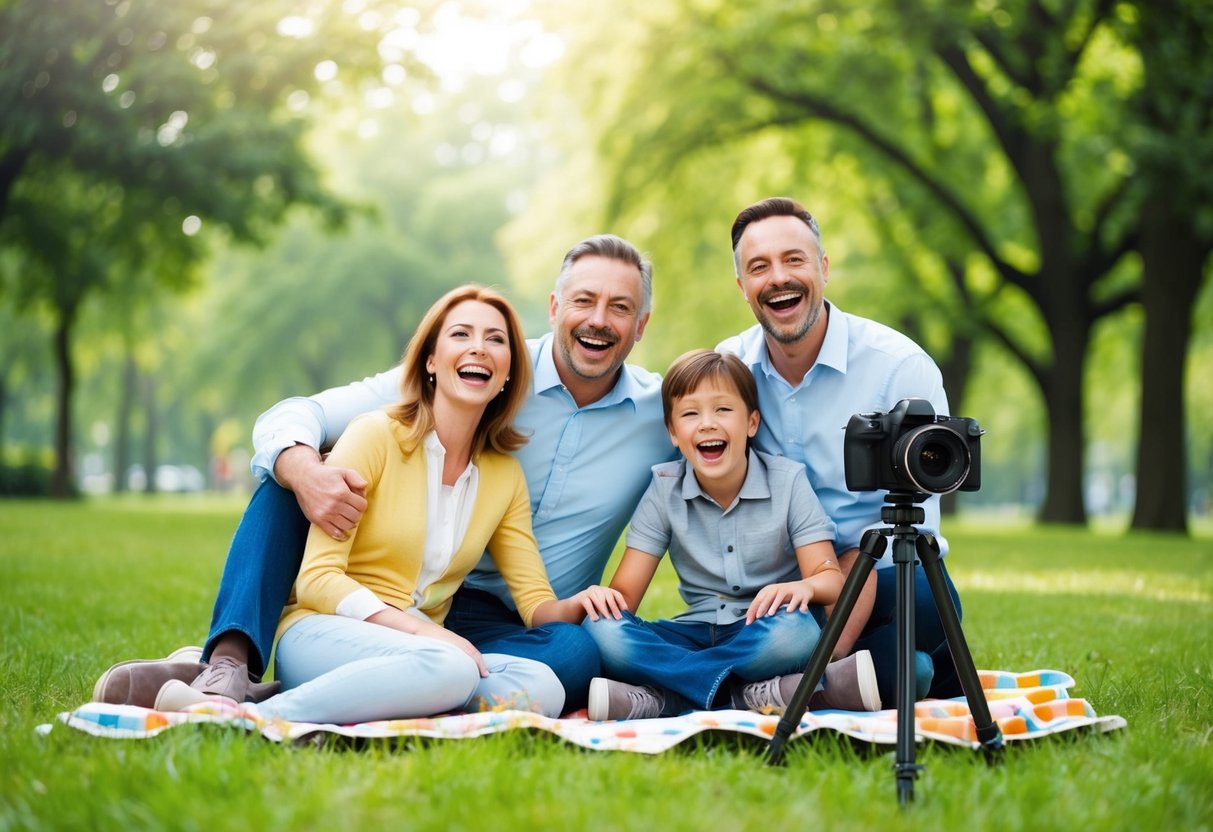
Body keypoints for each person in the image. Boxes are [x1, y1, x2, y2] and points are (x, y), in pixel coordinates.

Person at [92, 235, 675, 713]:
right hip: (369, 606)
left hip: (491, 618)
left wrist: (590, 602)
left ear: (641, 324)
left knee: (566, 664)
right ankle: (228, 670)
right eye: (584, 300)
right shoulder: (455, 374)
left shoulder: (659, 416)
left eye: (619, 307)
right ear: (553, 308)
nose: (598, 320)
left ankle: (314, 696)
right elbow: (299, 418)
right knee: (287, 476)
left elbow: (730, 440)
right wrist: (304, 470)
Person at [716, 197, 964, 704]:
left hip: (880, 575)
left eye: (794, 259)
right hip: (774, 589)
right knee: (906, 665)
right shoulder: (727, 369)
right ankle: (870, 679)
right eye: (758, 267)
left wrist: (845, 574)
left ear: (824, 269)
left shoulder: (898, 368)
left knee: (924, 600)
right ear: (742, 288)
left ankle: (781, 682)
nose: (778, 277)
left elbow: (919, 520)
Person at [581, 350, 882, 720]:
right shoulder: (663, 488)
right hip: (690, 634)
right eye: (690, 414)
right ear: (673, 434)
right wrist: (604, 600)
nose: (707, 424)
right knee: (601, 631)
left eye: (723, 410)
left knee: (798, 632)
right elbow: (624, 597)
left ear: (752, 423)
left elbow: (831, 580)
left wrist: (804, 588)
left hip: (764, 628)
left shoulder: (787, 480)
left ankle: (668, 698)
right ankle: (746, 695)